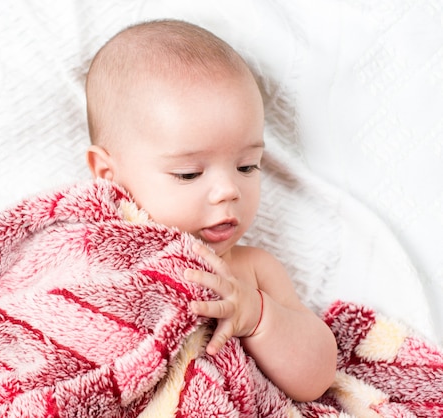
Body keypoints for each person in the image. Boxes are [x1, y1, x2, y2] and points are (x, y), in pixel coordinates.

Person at [84, 19, 337, 402]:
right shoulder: (88, 254)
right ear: (108, 175)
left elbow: (315, 379)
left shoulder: (251, 271)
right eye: (189, 173)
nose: (228, 191)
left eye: (247, 166)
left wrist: (257, 317)